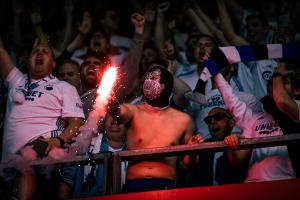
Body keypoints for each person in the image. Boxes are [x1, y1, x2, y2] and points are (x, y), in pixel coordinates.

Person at [0, 36, 85, 200]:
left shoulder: (63, 87)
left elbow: (77, 122)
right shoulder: (16, 80)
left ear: (53, 64)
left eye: (45, 52)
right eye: (35, 51)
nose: (39, 53)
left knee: (28, 158)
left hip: (43, 148)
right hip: (8, 159)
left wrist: (59, 141)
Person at [202, 51, 297, 182]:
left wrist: (276, 73)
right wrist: (231, 145)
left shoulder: (297, 110)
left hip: (285, 184)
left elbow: (282, 101)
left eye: (283, 81)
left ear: (297, 90)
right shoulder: (255, 118)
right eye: (274, 82)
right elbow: (237, 160)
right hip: (253, 185)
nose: (276, 84)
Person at [110, 64, 203, 193]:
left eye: (154, 79)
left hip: (166, 184)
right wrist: (111, 102)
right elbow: (118, 113)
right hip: (134, 185)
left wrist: (192, 153)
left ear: (167, 86)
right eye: (147, 79)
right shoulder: (134, 111)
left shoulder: (183, 120)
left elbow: (187, 164)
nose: (149, 83)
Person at [58, 114, 127, 199]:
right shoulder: (83, 145)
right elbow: (67, 180)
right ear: (104, 124)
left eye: (120, 118)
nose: (115, 121)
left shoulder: (135, 151)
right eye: (111, 115)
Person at [187, 107, 247, 186]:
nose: (212, 122)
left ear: (231, 122)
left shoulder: (241, 142)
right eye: (208, 120)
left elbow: (237, 162)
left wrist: (232, 145)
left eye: (218, 117)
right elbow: (188, 164)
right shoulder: (203, 145)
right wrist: (192, 149)